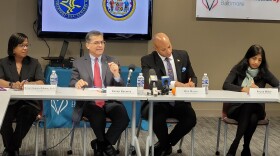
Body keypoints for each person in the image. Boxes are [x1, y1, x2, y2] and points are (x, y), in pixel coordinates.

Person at [70, 30, 129, 156]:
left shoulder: (112, 61)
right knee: (98, 116)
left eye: (102, 42)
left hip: (110, 101)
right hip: (89, 102)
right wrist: (77, 84)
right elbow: (72, 83)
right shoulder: (78, 63)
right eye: (96, 42)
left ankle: (101, 145)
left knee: (123, 118)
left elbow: (121, 87)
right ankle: (104, 145)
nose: (100, 45)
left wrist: (117, 75)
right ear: (87, 45)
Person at [141, 32, 197, 156]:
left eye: (169, 46)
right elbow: (152, 82)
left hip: (179, 102)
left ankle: (165, 145)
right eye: (163, 49)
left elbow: (192, 76)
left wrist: (192, 83)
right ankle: (165, 146)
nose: (168, 51)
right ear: (156, 49)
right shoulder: (147, 60)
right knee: (157, 117)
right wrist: (173, 84)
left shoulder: (183, 55)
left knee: (191, 118)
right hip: (159, 102)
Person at [223, 44, 279, 156]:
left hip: (258, 108)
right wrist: (246, 89)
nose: (256, 62)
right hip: (237, 108)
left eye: (259, 60)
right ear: (248, 57)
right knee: (252, 117)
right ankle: (246, 148)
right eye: (254, 58)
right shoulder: (238, 69)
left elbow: (278, 85)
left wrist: (261, 91)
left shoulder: (264, 72)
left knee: (250, 106)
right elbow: (226, 85)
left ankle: (235, 144)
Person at [0, 33, 45, 156]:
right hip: (10, 102)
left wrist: (29, 84)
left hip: (29, 103)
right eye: (22, 45)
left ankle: (11, 148)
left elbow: (41, 82)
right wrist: (12, 85)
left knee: (26, 114)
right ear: (13, 47)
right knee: (3, 116)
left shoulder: (34, 63)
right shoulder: (3, 62)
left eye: (27, 45)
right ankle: (12, 148)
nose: (25, 48)